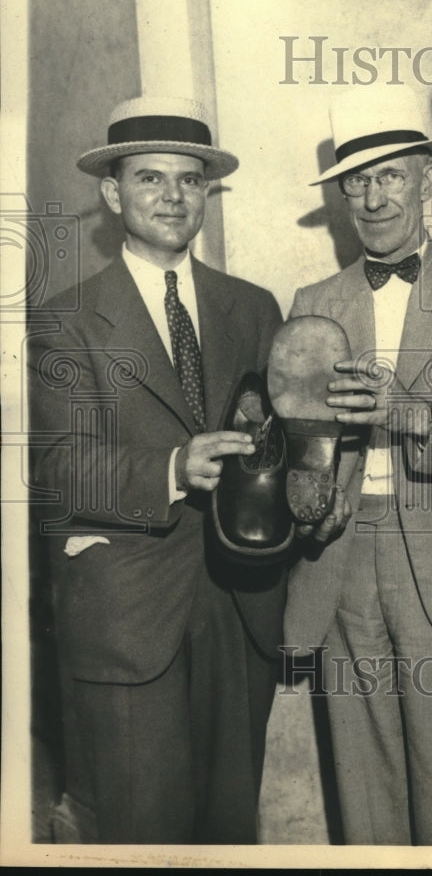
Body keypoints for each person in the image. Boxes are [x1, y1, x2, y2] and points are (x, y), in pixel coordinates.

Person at [27, 96, 287, 844]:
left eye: (189, 179)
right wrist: (174, 466)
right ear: (113, 195)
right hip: (127, 621)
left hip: (241, 609)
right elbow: (58, 466)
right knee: (143, 834)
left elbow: (281, 446)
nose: (173, 197)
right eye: (150, 179)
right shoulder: (64, 320)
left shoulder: (254, 308)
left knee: (231, 832)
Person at [283, 85, 432, 845]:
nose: (374, 197)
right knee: (365, 800)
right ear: (341, 193)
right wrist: (306, 486)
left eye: (390, 176)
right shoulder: (311, 303)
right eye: (356, 180)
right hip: (339, 565)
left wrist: (405, 410)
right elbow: (299, 446)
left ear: (425, 180)